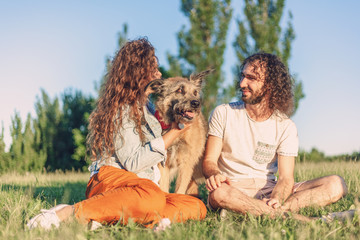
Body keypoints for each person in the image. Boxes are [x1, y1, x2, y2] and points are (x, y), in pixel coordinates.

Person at [27, 38, 206, 231]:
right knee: (151, 197)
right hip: (112, 179)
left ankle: (112, 218)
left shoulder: (147, 108)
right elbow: (133, 163)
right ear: (139, 72)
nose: (160, 74)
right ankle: (67, 212)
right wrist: (177, 131)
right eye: (154, 69)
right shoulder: (122, 109)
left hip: (140, 187)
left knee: (196, 205)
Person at [203, 52, 348, 219]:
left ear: (269, 85)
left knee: (336, 184)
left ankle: (274, 211)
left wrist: (276, 198)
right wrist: (214, 174)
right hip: (232, 189)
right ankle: (297, 219)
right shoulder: (223, 112)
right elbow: (209, 161)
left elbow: (286, 178)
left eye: (251, 78)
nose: (242, 83)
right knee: (219, 193)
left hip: (270, 189)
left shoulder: (286, 126)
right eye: (243, 76)